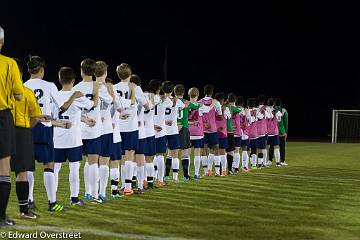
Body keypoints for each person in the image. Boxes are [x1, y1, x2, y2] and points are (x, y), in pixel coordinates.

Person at [25, 56, 82, 212]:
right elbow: (62, 108)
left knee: (28, 166)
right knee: (48, 164)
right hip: (44, 128)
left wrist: (58, 123)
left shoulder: (23, 85)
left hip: (27, 128)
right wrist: (73, 96)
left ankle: (29, 200)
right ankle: (52, 203)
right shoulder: (49, 85)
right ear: (42, 70)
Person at [53, 67, 95, 206]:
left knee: (54, 170)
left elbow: (53, 118)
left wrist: (84, 119)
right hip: (73, 140)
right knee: (74, 169)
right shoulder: (77, 95)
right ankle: (74, 199)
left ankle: (53, 199)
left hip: (57, 139)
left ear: (60, 79)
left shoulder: (54, 95)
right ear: (73, 80)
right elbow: (91, 105)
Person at [73, 58, 112, 203]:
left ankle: (85, 193)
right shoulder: (98, 86)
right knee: (93, 161)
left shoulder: (76, 87)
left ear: (82, 71)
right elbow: (110, 101)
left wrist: (83, 118)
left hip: (79, 130)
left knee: (80, 163)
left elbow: (73, 109)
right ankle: (95, 195)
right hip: (95, 130)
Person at [114, 63, 149, 196]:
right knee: (129, 157)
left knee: (121, 157)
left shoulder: (114, 88)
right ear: (130, 74)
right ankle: (128, 187)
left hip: (117, 127)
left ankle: (122, 185)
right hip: (131, 127)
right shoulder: (135, 88)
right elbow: (147, 106)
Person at [94, 61, 115, 201]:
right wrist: (110, 89)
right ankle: (100, 193)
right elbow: (112, 101)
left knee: (92, 162)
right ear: (106, 73)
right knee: (104, 161)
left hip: (92, 128)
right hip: (106, 128)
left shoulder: (88, 85)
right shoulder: (103, 87)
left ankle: (91, 192)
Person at [174, 84, 199, 181]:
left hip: (172, 129)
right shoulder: (186, 102)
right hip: (183, 128)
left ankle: (169, 176)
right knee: (185, 152)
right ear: (184, 93)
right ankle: (185, 176)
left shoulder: (171, 101)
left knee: (171, 153)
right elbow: (196, 106)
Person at [150, 79, 172, 186]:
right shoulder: (164, 99)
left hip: (149, 130)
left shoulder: (147, 98)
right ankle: (160, 180)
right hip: (161, 131)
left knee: (148, 156)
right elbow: (171, 103)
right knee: (159, 155)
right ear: (159, 89)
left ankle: (148, 179)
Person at [162, 81, 185, 182]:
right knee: (175, 155)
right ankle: (175, 177)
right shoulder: (177, 100)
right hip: (173, 131)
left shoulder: (160, 99)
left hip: (161, 131)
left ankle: (158, 176)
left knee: (159, 155)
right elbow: (183, 106)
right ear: (172, 90)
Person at [200, 85, 222, 176]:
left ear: (204, 92)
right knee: (216, 149)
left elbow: (198, 115)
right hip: (213, 129)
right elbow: (220, 116)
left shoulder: (200, 101)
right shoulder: (215, 102)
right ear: (212, 92)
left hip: (203, 130)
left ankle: (206, 172)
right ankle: (216, 172)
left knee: (203, 150)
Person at [214, 92, 230, 176]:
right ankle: (223, 171)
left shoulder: (213, 107)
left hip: (214, 131)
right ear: (222, 100)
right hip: (223, 132)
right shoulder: (225, 108)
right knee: (222, 152)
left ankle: (215, 171)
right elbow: (229, 116)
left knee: (215, 152)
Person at [269, 98, 288, 166]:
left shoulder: (271, 110)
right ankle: (282, 161)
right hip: (281, 131)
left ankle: (270, 160)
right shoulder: (283, 111)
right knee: (282, 147)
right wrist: (285, 131)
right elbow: (286, 123)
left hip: (273, 131)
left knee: (272, 146)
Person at [266, 98, 282, 167]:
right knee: (276, 147)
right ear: (274, 104)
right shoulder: (277, 111)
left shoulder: (265, 110)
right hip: (275, 132)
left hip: (267, 132)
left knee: (269, 147)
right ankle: (278, 163)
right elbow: (279, 120)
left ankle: (269, 161)